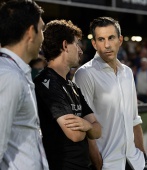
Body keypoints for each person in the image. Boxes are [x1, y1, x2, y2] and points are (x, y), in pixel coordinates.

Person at [73, 17, 147, 170]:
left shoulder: (127, 73)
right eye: (101, 39)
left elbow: (134, 120)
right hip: (108, 164)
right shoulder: (85, 74)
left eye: (111, 38)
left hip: (136, 162)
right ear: (94, 43)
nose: (107, 45)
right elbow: (84, 126)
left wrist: (143, 159)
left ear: (120, 40)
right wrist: (98, 164)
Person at [34, 19, 101, 170]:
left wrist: (86, 126)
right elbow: (75, 135)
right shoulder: (46, 82)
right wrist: (88, 126)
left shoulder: (72, 86)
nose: (81, 50)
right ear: (65, 45)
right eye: (77, 44)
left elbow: (98, 131)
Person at [0, 0, 49, 170]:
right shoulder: (9, 76)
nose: (43, 37)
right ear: (30, 32)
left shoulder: (14, 71)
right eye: (41, 29)